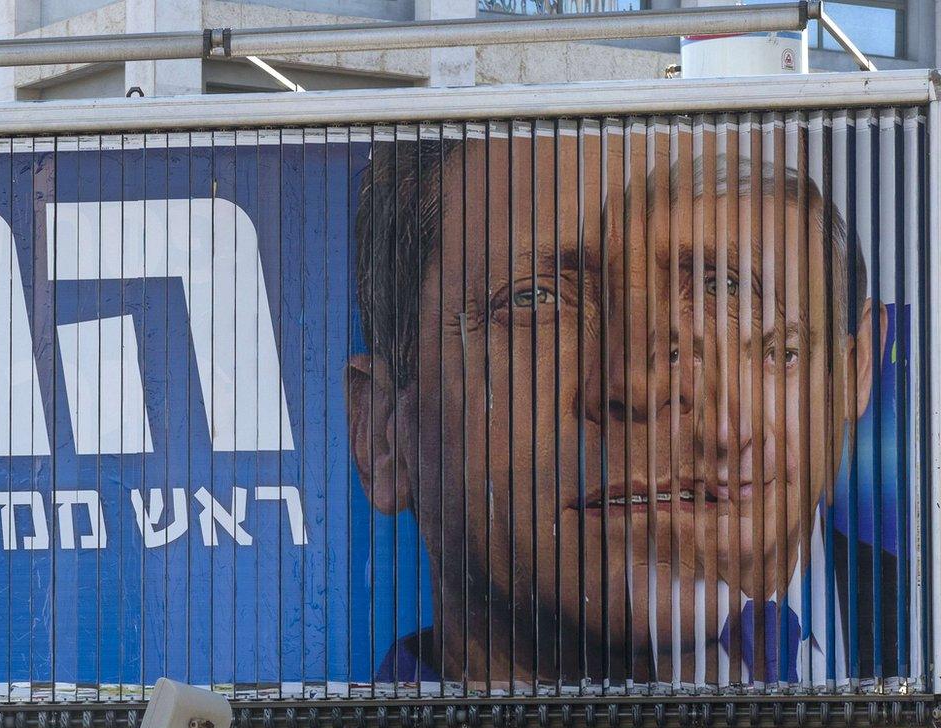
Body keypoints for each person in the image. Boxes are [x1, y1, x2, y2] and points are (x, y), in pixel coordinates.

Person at [346, 127, 900, 690]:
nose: (641, 383)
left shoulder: (914, 634)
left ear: (850, 371)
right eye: (533, 298)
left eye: (727, 292)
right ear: (383, 436)